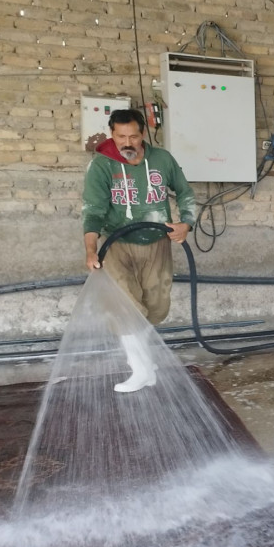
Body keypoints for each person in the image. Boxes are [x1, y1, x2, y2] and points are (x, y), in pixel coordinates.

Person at [82, 108, 196, 392]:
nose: (127, 142)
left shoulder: (162, 159)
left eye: (133, 136)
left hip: (157, 242)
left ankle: (144, 362)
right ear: (112, 134)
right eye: (121, 137)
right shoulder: (101, 166)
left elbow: (185, 193)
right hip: (116, 244)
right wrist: (91, 249)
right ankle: (141, 368)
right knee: (125, 307)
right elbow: (93, 212)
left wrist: (186, 223)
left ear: (143, 134)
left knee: (155, 307)